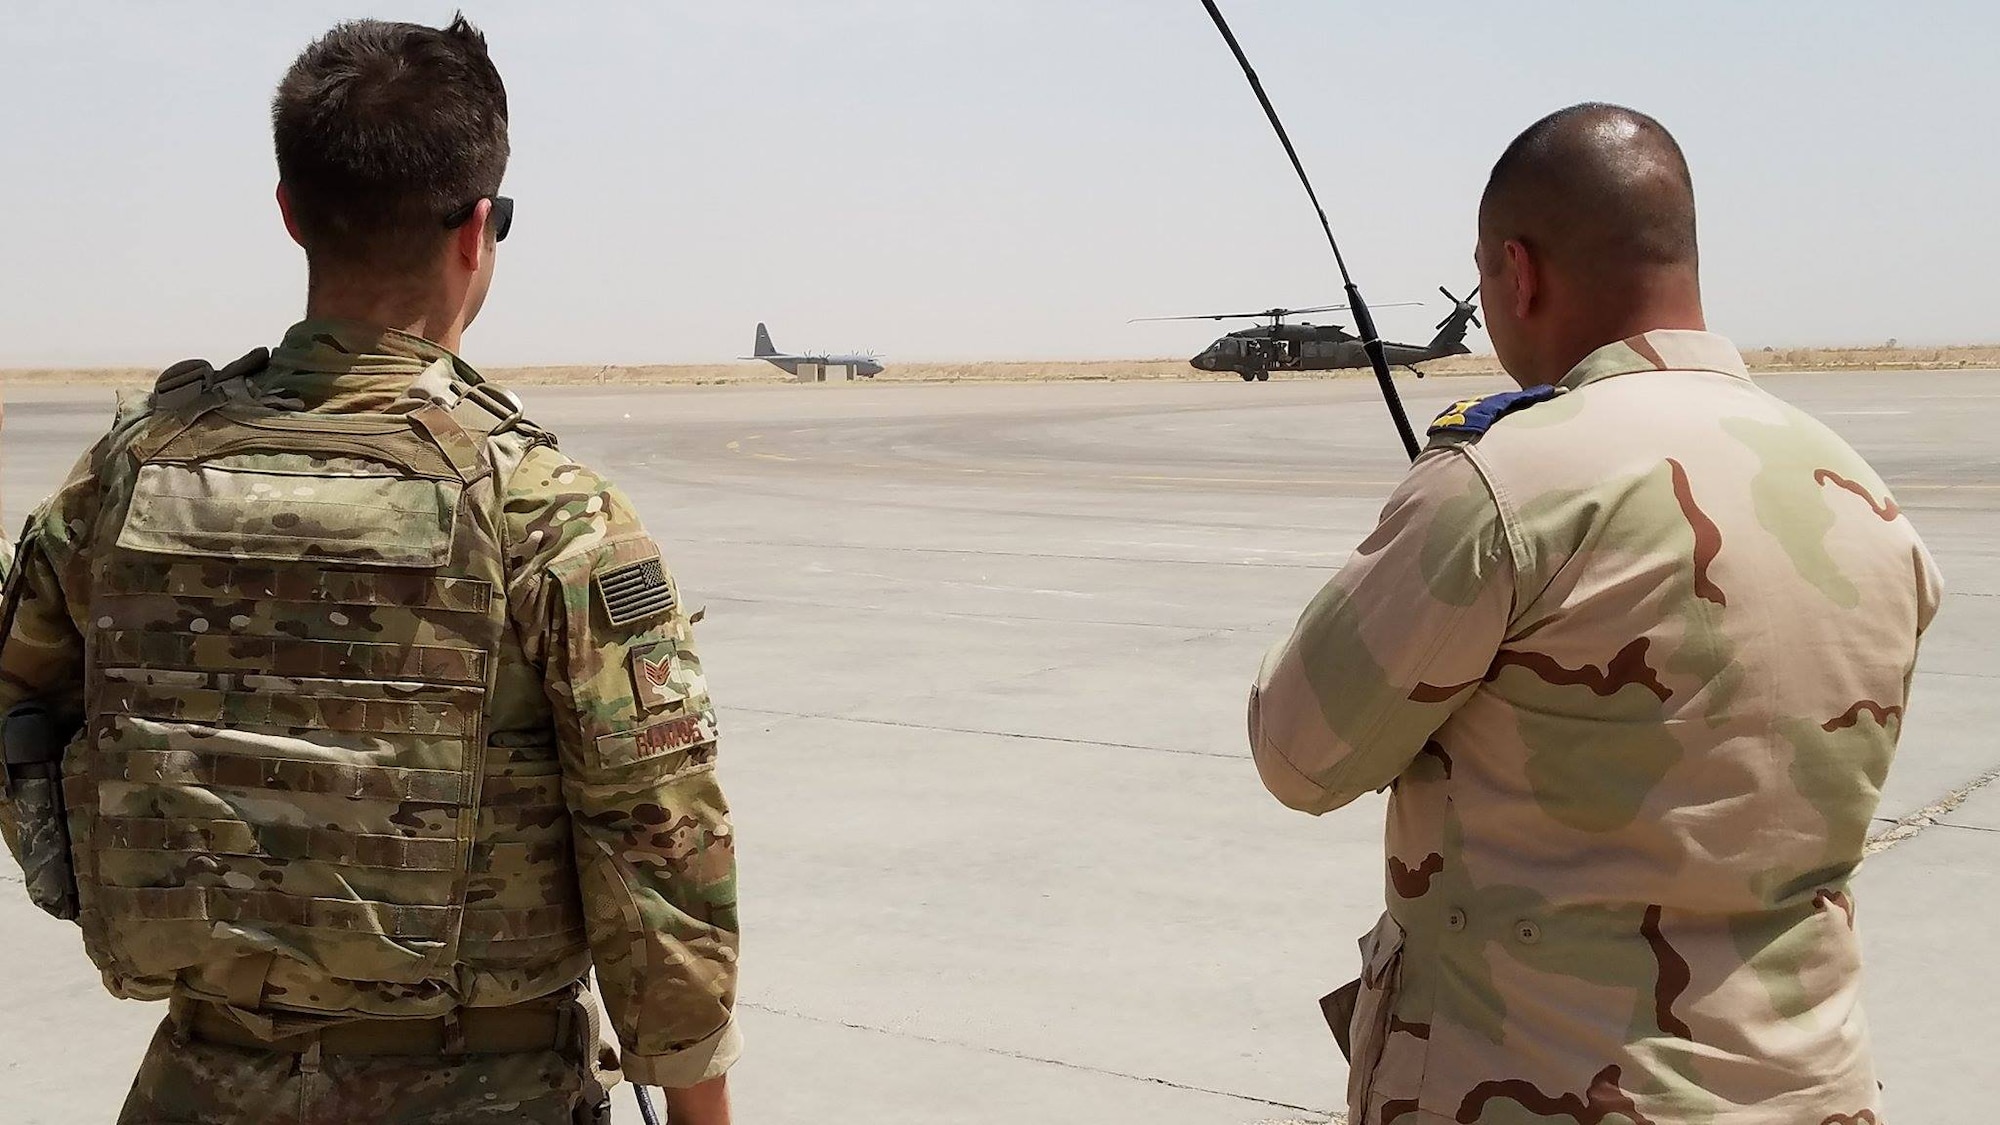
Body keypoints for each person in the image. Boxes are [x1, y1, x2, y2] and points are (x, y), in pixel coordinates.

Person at [0, 16, 738, 1125]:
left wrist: (90, 875)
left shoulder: (127, 475)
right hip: (483, 1091)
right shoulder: (547, 512)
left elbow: (17, 694)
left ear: (291, 212)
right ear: (478, 229)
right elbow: (658, 839)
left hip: (202, 1082)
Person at [1248, 103, 1942, 1125]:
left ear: (1516, 273)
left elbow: (1299, 756)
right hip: (1805, 1091)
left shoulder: (1505, 486)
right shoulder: (1866, 499)